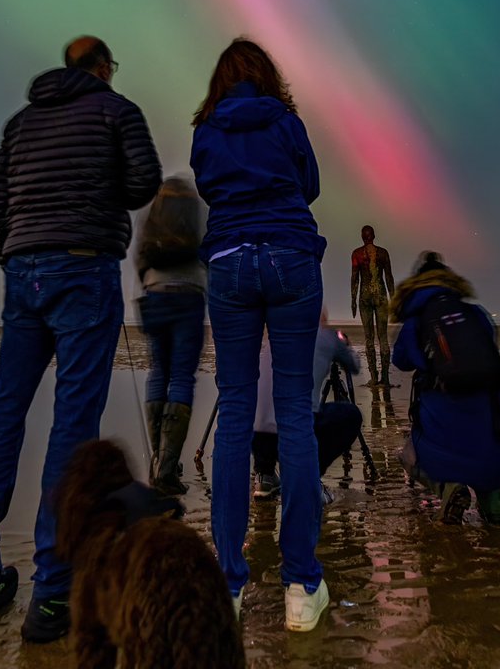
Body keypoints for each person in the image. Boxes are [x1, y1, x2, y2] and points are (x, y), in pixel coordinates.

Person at [0, 36, 161, 642]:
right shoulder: (118, 110)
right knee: (73, 421)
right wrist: (93, 198)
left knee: (4, 411)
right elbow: (142, 182)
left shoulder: (21, 121)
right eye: (113, 68)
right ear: (103, 68)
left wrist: (14, 253)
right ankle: (53, 591)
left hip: (25, 272)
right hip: (83, 265)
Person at [190, 37, 330, 632]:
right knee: (296, 412)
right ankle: (301, 584)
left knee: (236, 414)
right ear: (268, 77)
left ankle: (229, 586)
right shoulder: (287, 122)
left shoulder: (206, 131)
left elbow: (207, 187)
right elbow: (312, 185)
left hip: (229, 263)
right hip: (292, 257)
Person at [391, 251, 500, 525]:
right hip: (498, 441)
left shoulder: (416, 323)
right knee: (483, 454)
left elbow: (400, 361)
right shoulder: (476, 315)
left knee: (407, 457)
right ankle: (493, 506)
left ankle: (447, 489)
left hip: (445, 432)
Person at [135, 174, 207, 495]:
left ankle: (158, 462)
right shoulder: (198, 209)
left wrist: (148, 280)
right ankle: (166, 466)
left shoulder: (151, 211)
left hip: (155, 292)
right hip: (189, 294)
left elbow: (140, 257)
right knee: (181, 377)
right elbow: (207, 251)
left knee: (158, 371)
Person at [252, 315, 362, 505]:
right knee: (351, 415)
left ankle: (264, 475)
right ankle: (310, 480)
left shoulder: (276, 337)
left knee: (267, 409)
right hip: (295, 431)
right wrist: (342, 343)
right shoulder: (327, 336)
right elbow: (354, 366)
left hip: (257, 434)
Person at [351, 225, 394, 387]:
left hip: (365, 296)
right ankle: (385, 379)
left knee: (369, 338)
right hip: (381, 295)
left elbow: (355, 278)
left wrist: (353, 299)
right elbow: (389, 277)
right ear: (373, 236)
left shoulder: (357, 254)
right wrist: (394, 298)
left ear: (363, 237)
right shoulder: (383, 253)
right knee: (383, 338)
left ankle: (375, 378)